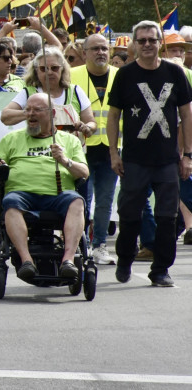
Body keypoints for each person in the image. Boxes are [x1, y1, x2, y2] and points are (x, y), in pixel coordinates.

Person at [107, 20, 192, 287]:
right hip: (134, 159)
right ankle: (124, 259)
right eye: (141, 40)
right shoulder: (125, 75)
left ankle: (161, 270)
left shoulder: (175, 73)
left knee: (167, 218)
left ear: (159, 43)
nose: (147, 45)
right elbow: (113, 116)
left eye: (152, 40)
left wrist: (188, 154)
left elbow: (186, 114)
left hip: (168, 160)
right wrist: (113, 153)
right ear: (134, 43)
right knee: (130, 214)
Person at [0, 93, 89, 281]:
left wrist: (65, 161)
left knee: (77, 201)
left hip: (58, 196)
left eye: (37, 110)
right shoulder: (12, 139)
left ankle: (68, 261)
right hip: (22, 195)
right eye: (28, 109)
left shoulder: (69, 140)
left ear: (51, 114)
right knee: (10, 201)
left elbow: (84, 173)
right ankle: (27, 261)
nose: (30, 114)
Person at [69, 33, 119, 265]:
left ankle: (99, 245)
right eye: (95, 48)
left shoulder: (121, 76)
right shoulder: (71, 76)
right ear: (84, 52)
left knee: (106, 200)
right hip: (81, 149)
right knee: (81, 199)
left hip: (112, 149)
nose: (101, 52)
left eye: (104, 48)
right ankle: (80, 244)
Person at [0, 48, 95, 136]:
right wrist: (32, 113)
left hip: (71, 152)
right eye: (43, 68)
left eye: (54, 68)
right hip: (38, 152)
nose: (49, 72)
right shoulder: (28, 92)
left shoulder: (76, 91)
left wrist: (87, 128)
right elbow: (5, 116)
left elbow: (91, 122)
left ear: (62, 69)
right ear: (36, 70)